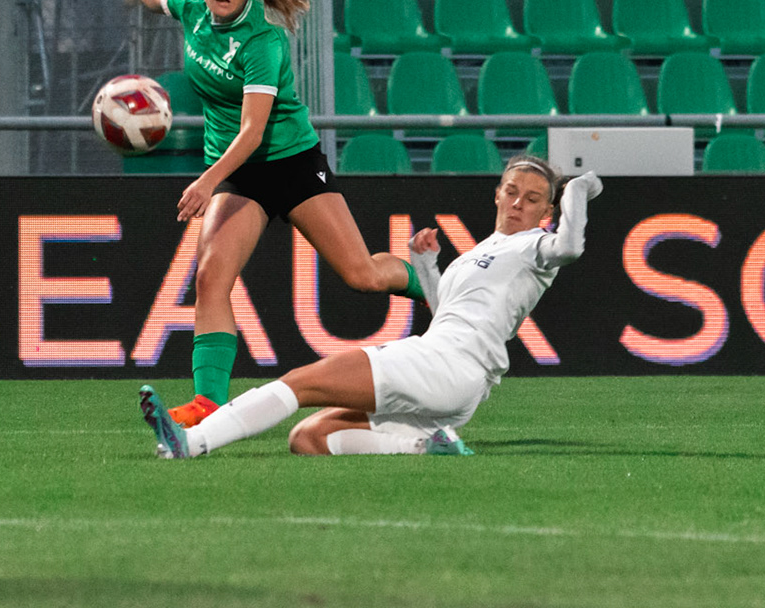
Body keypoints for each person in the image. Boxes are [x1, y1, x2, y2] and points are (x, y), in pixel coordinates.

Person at [90, 0, 428, 425]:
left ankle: (432, 282)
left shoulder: (262, 42)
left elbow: (253, 131)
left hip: (289, 164)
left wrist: (204, 181)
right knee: (210, 277)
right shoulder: (194, 11)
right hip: (239, 174)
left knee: (360, 276)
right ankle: (208, 403)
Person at [139, 156, 600, 458]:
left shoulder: (537, 245)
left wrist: (578, 190)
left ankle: (192, 442)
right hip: (451, 378)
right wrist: (426, 263)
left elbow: (571, 247)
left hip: (445, 366)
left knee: (301, 382)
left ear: (546, 211)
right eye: (512, 191)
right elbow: (445, 313)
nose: (519, 202)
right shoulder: (484, 252)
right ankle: (427, 445)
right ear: (497, 194)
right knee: (308, 439)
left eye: (534, 198)